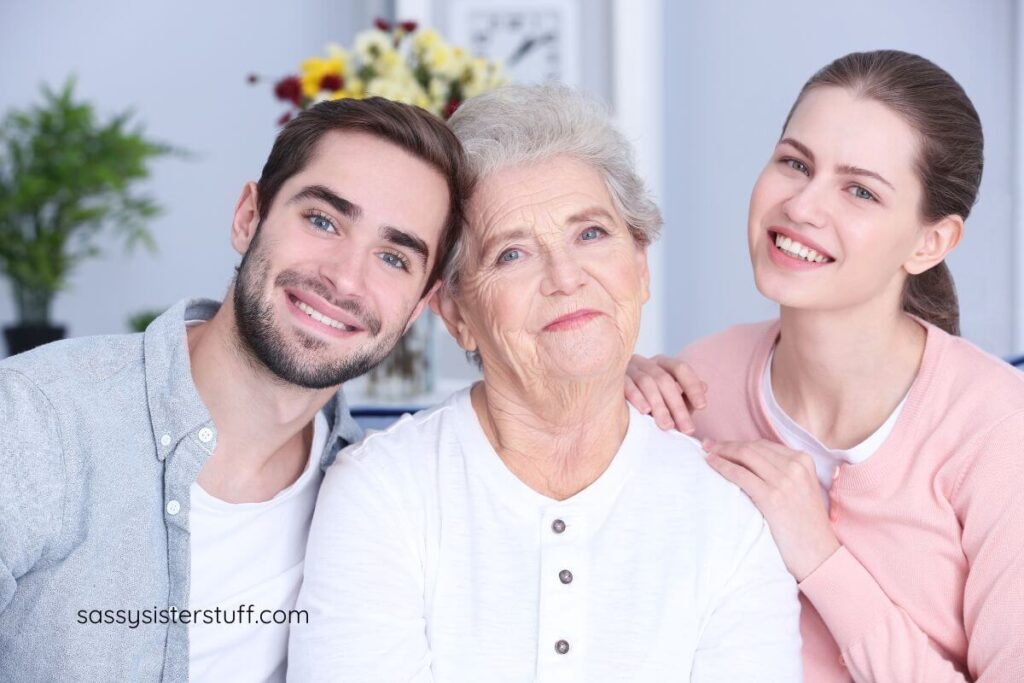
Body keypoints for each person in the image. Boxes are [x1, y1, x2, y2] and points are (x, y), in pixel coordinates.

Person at [289, 84, 802, 682]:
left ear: (640, 267)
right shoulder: (383, 491)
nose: (565, 277)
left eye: (590, 235)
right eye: (512, 254)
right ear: (456, 315)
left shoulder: (727, 515)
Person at [0, 97, 470, 682]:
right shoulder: (35, 420)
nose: (345, 278)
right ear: (249, 217)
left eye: (394, 257)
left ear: (419, 308)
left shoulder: (380, 498)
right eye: (323, 221)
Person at [626, 50, 1024, 681]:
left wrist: (818, 554)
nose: (803, 206)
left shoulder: (1000, 430)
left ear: (932, 242)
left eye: (860, 190)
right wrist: (610, 410)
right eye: (794, 163)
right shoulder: (703, 381)